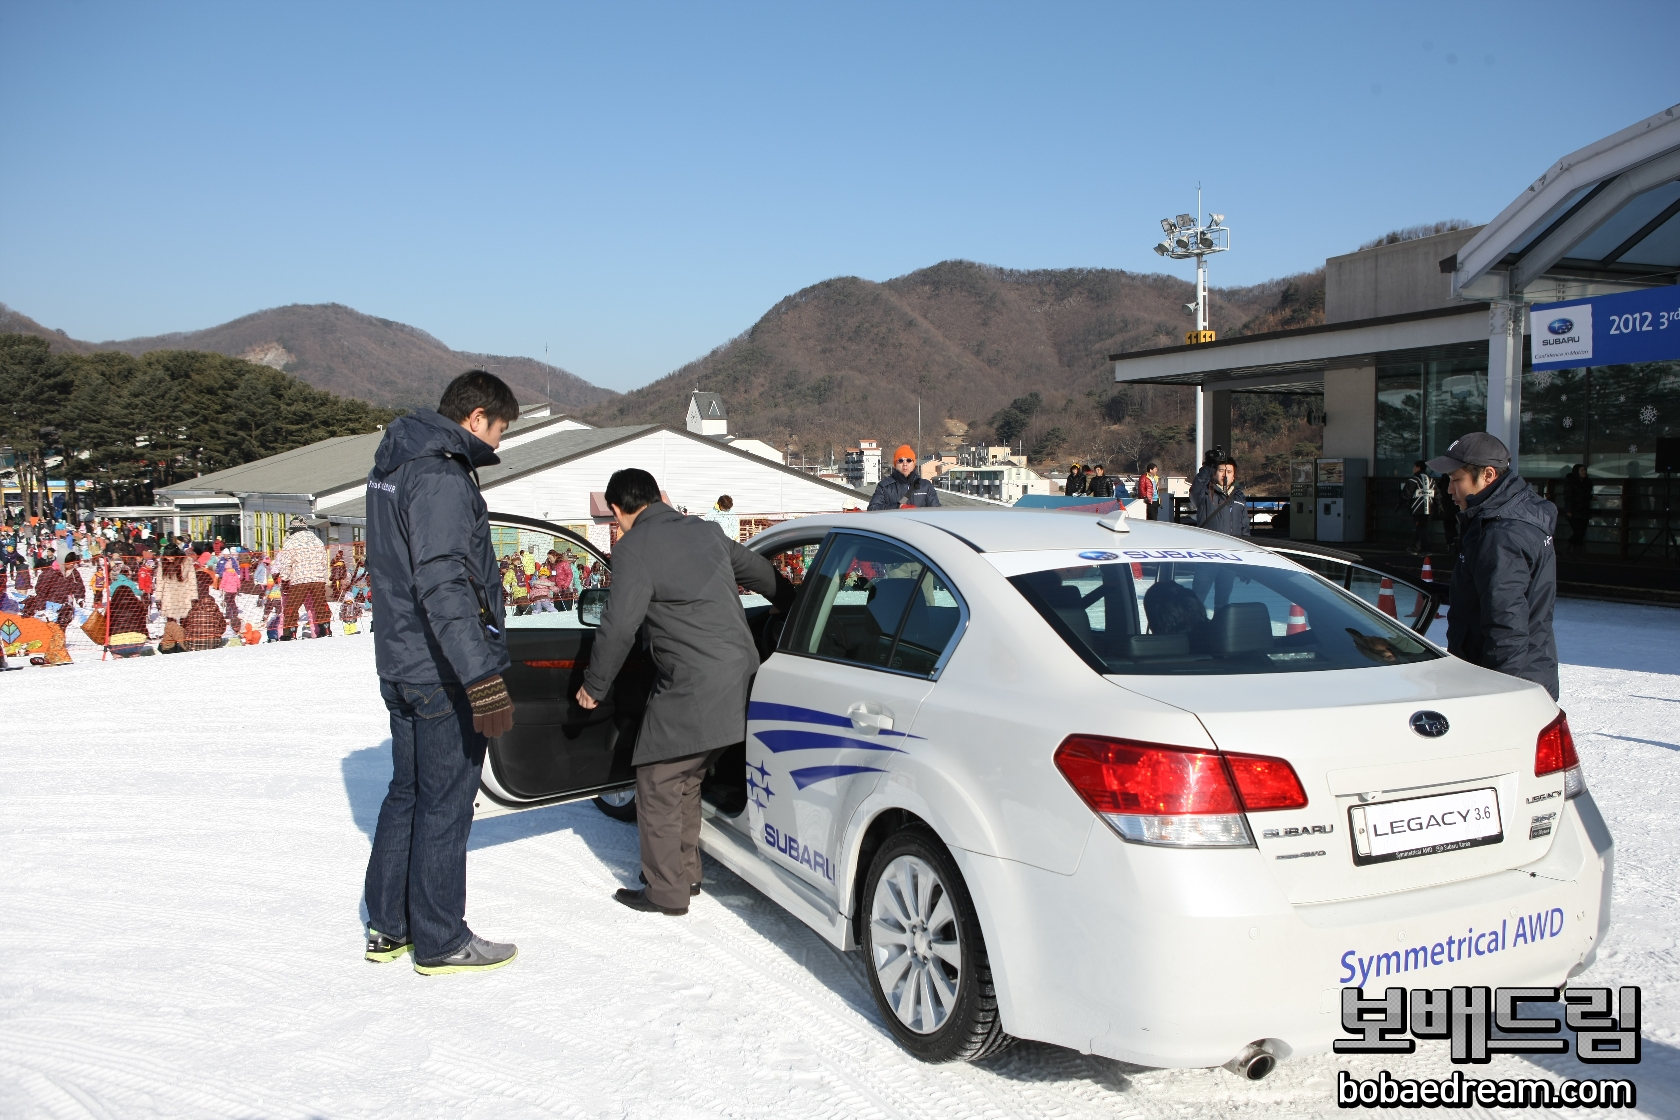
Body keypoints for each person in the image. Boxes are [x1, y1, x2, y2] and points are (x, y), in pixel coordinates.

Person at [575, 468, 790, 916]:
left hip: (693, 684)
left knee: (655, 780)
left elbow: (617, 627)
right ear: (657, 497)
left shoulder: (634, 546)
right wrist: (798, 607)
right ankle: (684, 873)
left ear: (618, 511)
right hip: (744, 674)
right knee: (686, 778)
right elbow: (763, 576)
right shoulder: (705, 531)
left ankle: (664, 891)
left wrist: (594, 687)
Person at [362, 369, 521, 975]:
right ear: (476, 417)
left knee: (408, 791)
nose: (499, 446)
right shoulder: (441, 474)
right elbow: (443, 581)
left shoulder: (392, 466)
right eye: (500, 430)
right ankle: (440, 938)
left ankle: (390, 924)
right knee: (445, 803)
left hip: (399, 658)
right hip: (439, 667)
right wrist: (481, 677)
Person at [1427, 432, 1559, 699]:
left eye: (1456, 481)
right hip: (1526, 673)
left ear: (1488, 475)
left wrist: (1500, 696)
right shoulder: (1509, 514)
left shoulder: (1501, 533)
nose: (1450, 490)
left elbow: (1506, 625)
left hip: (1504, 684)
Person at [274, 518, 332, 639]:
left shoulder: (291, 542)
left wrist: (285, 577)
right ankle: (325, 628)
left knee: (292, 607)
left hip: (299, 580)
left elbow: (286, 562)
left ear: (293, 529)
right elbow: (323, 560)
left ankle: (290, 633)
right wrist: (324, 578)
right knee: (320, 605)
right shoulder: (317, 540)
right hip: (317, 579)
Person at [1189, 453, 1251, 537]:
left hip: (1234, 547)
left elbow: (1245, 527)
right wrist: (1208, 466)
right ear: (1214, 474)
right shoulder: (1205, 494)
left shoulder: (1239, 497)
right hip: (1211, 546)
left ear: (1233, 476)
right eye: (1221, 471)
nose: (1225, 475)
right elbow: (1196, 489)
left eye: (1229, 472)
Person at [867, 445, 941, 510]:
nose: (905, 464)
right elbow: (872, 508)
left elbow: (936, 512)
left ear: (914, 464)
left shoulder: (925, 486)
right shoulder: (884, 486)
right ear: (895, 464)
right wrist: (897, 507)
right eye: (901, 460)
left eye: (909, 460)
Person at [1402, 460, 1435, 554]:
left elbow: (1406, 494)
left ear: (1418, 468)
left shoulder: (1413, 479)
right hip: (1429, 508)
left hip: (1417, 509)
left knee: (1421, 529)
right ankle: (1416, 548)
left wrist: (1401, 503)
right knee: (1422, 528)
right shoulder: (1431, 480)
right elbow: (1437, 495)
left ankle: (1427, 549)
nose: (1413, 469)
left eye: (1414, 467)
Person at [1561, 463, 1591, 553]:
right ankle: (1566, 551)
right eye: (1581, 470)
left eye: (1584, 470)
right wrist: (1569, 510)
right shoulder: (1571, 482)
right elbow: (1568, 497)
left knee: (1581, 533)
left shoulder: (1587, 483)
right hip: (1574, 511)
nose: (1584, 472)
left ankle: (1577, 554)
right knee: (1578, 532)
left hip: (1584, 511)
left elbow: (1585, 497)